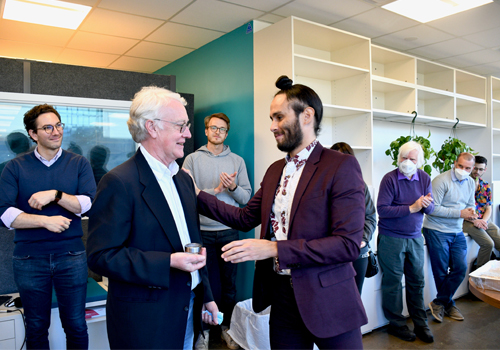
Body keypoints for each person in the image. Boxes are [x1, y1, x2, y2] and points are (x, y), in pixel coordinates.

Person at [193, 76, 367, 349]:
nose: (272, 126)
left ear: (307, 115)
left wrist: (274, 249)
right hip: (283, 297)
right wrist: (197, 195)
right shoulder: (276, 169)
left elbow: (346, 245)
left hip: (329, 297)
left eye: (279, 117)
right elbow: (244, 217)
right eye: (271, 118)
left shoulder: (340, 166)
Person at [86, 86, 219, 350]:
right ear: (153, 128)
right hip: (145, 322)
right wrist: (168, 262)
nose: (188, 134)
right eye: (181, 125)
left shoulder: (182, 179)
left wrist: (206, 295)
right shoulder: (119, 182)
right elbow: (101, 256)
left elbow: (193, 242)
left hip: (188, 306)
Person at [0, 104, 96, 349]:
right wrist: (45, 221)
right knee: (36, 325)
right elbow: (5, 214)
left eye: (59, 125)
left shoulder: (78, 163)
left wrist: (54, 194)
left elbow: (86, 204)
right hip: (29, 258)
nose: (56, 132)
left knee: (75, 324)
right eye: (48, 127)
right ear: (33, 134)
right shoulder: (15, 167)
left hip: (71, 256)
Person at [183, 112, 251, 350]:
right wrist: (215, 189)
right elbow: (187, 195)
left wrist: (231, 187)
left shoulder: (237, 161)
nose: (217, 132)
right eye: (213, 128)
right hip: (201, 231)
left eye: (222, 129)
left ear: (227, 133)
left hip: (229, 231)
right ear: (205, 131)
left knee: (229, 285)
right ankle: (203, 332)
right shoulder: (191, 159)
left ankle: (226, 329)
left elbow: (246, 198)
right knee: (204, 285)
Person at [377, 141, 434, 343]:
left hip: (415, 238)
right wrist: (412, 207)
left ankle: (420, 323)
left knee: (417, 281)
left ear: (420, 162)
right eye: (404, 157)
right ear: (398, 158)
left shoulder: (425, 178)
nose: (407, 162)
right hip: (391, 238)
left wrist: (426, 205)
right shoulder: (389, 179)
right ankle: (397, 324)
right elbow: (382, 210)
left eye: (412, 159)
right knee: (393, 283)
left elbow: (430, 208)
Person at [423, 152, 477, 323]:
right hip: (436, 230)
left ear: (472, 169)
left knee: (460, 268)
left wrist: (471, 212)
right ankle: (449, 304)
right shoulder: (440, 181)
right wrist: (460, 213)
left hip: (457, 231)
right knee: (440, 271)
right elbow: (432, 209)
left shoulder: (470, 182)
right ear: (455, 163)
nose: (463, 170)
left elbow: (470, 203)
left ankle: (440, 302)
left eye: (467, 168)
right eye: (460, 166)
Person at [330, 142, 376, 294]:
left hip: (357, 252)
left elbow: (370, 217)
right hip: (332, 253)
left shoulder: (360, 185)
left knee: (355, 298)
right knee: (332, 299)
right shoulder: (323, 187)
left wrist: (363, 239)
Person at [463, 156, 500, 268]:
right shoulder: (462, 183)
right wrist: (475, 221)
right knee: (488, 244)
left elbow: (488, 208)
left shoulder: (485, 185)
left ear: (485, 170)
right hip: (466, 220)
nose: (477, 172)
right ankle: (479, 277)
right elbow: (457, 208)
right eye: (475, 168)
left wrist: (483, 221)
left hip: (483, 219)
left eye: (481, 169)